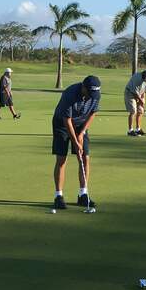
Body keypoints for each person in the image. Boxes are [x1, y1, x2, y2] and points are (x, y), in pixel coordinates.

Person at [51, 75, 101, 210]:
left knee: (85, 158)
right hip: (62, 123)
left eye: (94, 93)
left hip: (81, 124)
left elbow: (93, 113)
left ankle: (83, 195)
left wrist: (82, 132)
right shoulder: (70, 93)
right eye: (89, 92)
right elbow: (67, 121)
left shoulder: (95, 94)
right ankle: (58, 196)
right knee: (62, 159)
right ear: (83, 87)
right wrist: (75, 141)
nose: (92, 96)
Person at [125, 68, 146, 136]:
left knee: (141, 111)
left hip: (139, 94)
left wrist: (143, 99)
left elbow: (144, 91)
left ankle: (138, 129)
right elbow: (134, 92)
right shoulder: (137, 77)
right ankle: (130, 131)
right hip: (130, 93)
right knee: (133, 111)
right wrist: (140, 100)